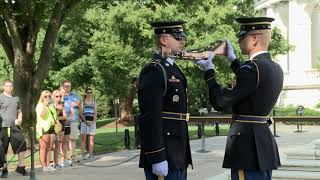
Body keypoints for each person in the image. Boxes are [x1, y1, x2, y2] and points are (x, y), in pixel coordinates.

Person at [195, 17, 283, 180]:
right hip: (262, 143)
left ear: (254, 39)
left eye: (242, 36)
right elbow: (250, 84)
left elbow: (220, 102)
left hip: (246, 146)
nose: (238, 40)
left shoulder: (251, 69)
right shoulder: (275, 68)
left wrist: (209, 72)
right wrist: (233, 59)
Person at [138, 20, 192, 180]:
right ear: (164, 40)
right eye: (177, 37)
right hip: (165, 151)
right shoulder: (154, 69)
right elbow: (150, 116)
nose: (182, 41)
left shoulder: (171, 67)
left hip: (177, 150)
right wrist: (157, 156)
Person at [0, 80, 28, 177]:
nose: (9, 88)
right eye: (7, 86)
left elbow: (19, 111)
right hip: (2, 126)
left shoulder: (16, 98)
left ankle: (21, 167)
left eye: (11, 86)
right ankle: (4, 170)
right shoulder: (0, 97)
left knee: (22, 144)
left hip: (14, 126)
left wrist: (20, 118)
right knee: (3, 149)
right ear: (3, 87)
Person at [35, 90, 56, 172]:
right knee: (43, 147)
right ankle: (43, 166)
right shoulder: (39, 105)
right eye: (45, 96)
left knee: (50, 147)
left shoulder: (51, 105)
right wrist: (45, 105)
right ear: (42, 97)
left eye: (49, 96)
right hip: (43, 128)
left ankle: (48, 164)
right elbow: (42, 116)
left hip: (51, 128)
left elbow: (54, 115)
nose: (47, 98)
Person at [62, 80, 80, 163]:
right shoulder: (60, 96)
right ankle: (64, 158)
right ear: (63, 87)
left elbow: (76, 104)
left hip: (73, 120)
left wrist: (69, 105)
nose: (67, 87)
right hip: (62, 120)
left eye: (69, 86)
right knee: (63, 140)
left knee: (72, 139)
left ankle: (73, 157)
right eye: (66, 86)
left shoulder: (75, 95)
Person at [79, 88, 97, 160]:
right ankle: (82, 155)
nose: (89, 94)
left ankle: (91, 154)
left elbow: (95, 113)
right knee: (83, 139)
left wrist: (92, 122)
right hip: (84, 122)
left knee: (91, 139)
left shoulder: (94, 102)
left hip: (92, 123)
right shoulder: (82, 102)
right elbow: (81, 113)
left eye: (90, 92)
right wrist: (86, 121)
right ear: (85, 93)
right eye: (88, 92)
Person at [59, 86, 72, 167]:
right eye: (62, 92)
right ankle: (60, 160)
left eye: (64, 92)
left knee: (66, 142)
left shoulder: (68, 101)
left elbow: (71, 111)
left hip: (67, 123)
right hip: (60, 124)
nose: (63, 93)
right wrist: (66, 118)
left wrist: (69, 118)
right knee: (59, 142)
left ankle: (64, 159)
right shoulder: (57, 101)